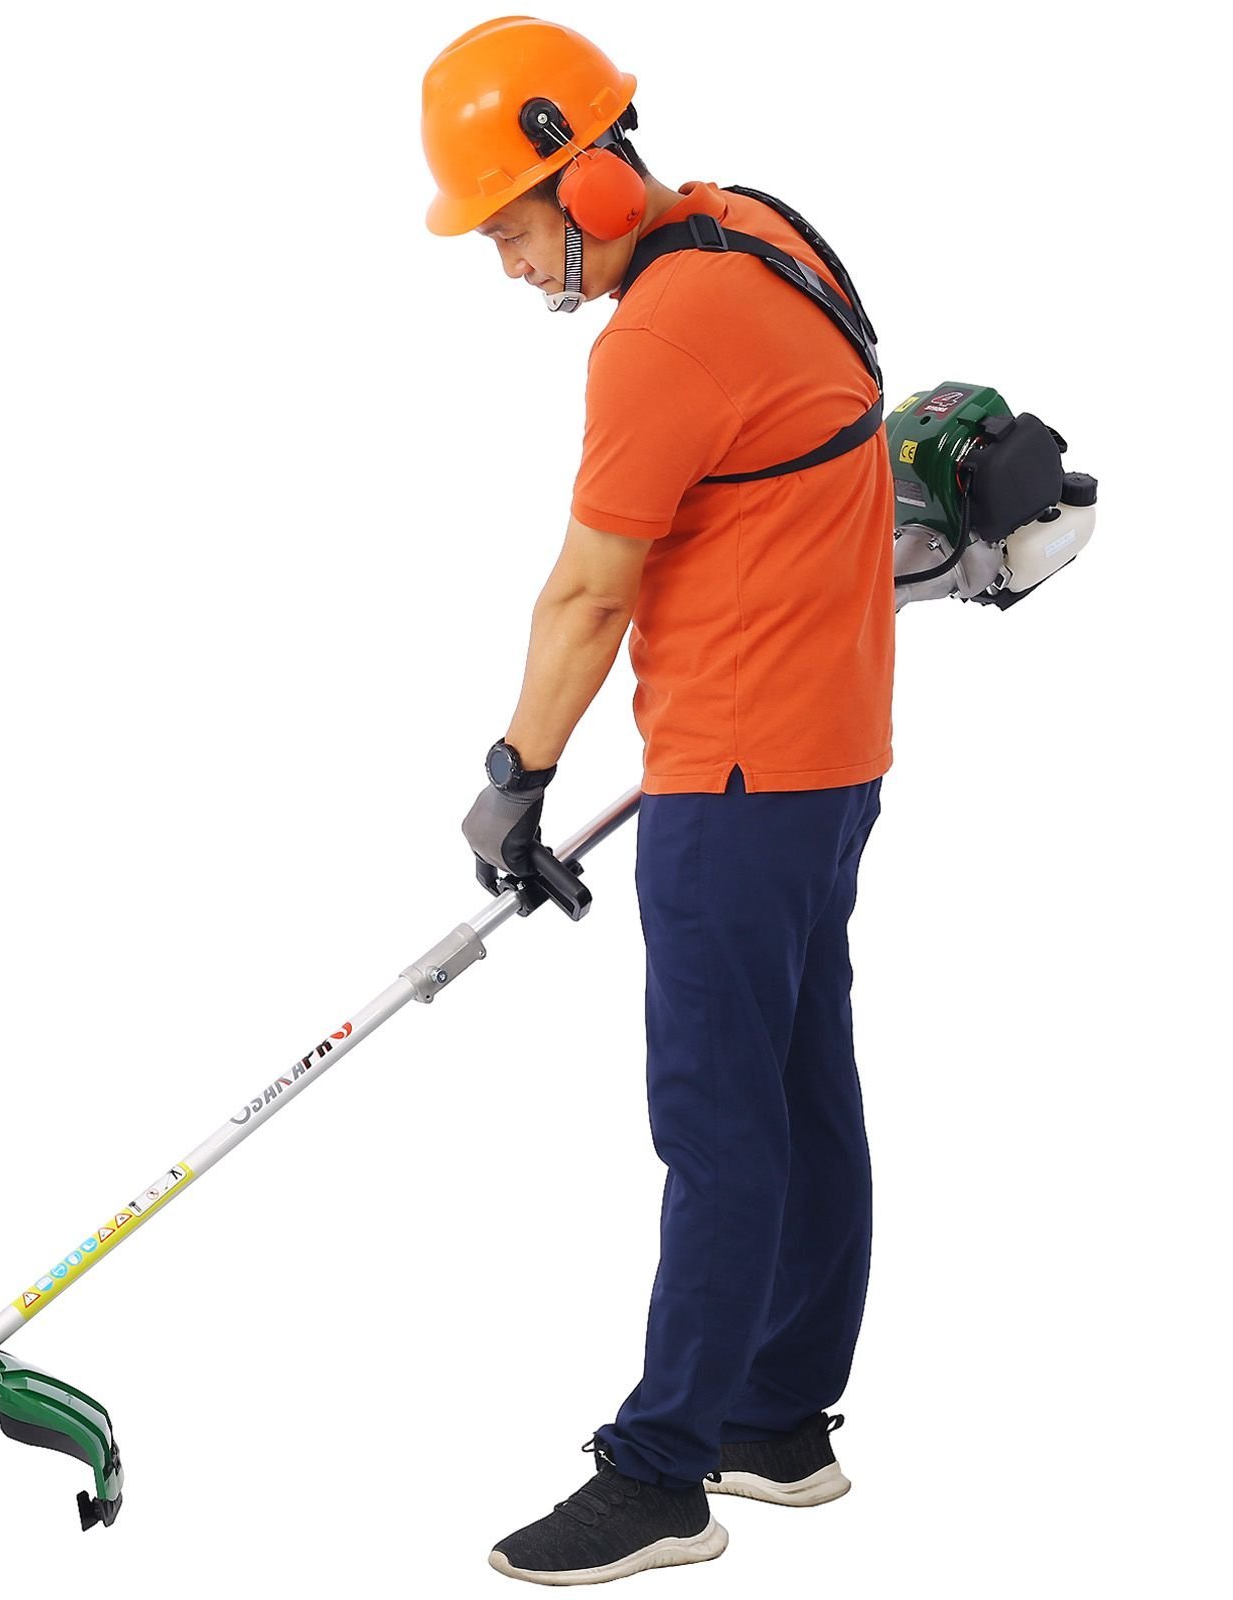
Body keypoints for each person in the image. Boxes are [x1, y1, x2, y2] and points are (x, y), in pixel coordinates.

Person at [422, 16, 897, 1587]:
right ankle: (778, 1422)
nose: (508, 269)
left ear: (588, 180)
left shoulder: (657, 337)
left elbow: (587, 594)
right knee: (802, 1090)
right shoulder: (765, 233)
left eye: (509, 229)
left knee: (717, 1121)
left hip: (734, 776)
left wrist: (514, 780)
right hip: (833, 759)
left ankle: (663, 1474)